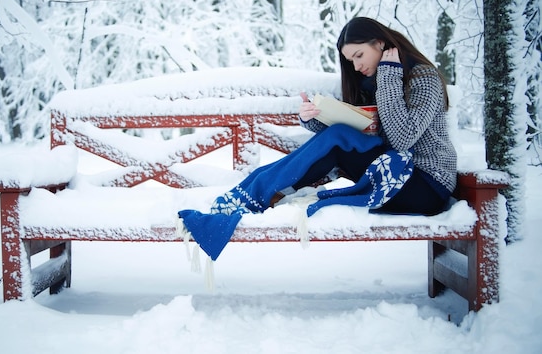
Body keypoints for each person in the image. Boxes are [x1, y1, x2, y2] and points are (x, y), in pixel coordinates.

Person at [178, 17, 457, 260]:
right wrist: (315, 118)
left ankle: (253, 197)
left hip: (426, 184)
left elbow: (401, 138)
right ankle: (253, 194)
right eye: (351, 61)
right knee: (338, 136)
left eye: (359, 55)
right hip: (395, 174)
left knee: (339, 137)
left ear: (381, 44)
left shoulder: (422, 78)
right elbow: (368, 136)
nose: (356, 66)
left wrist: (388, 75)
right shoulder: (380, 82)